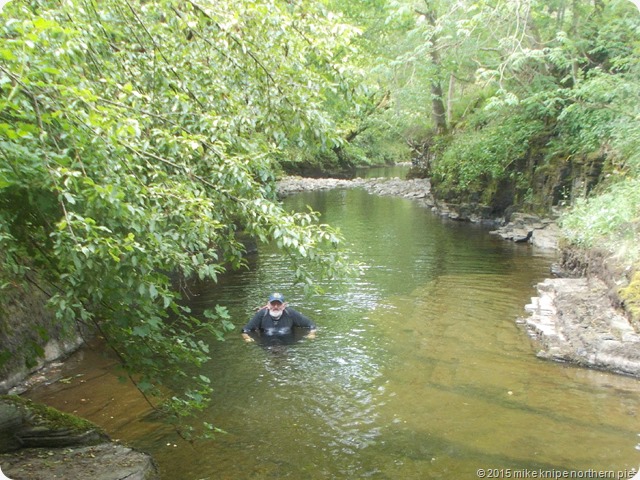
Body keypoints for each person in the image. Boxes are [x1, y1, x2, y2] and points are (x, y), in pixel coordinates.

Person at [241, 292, 316, 342]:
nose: (276, 307)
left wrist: (312, 334)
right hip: (267, 344)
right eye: (273, 304)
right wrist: (247, 338)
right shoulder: (262, 314)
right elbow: (245, 330)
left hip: (287, 344)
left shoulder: (290, 313)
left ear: (284, 305)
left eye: (278, 304)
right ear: (268, 305)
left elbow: (311, 325)